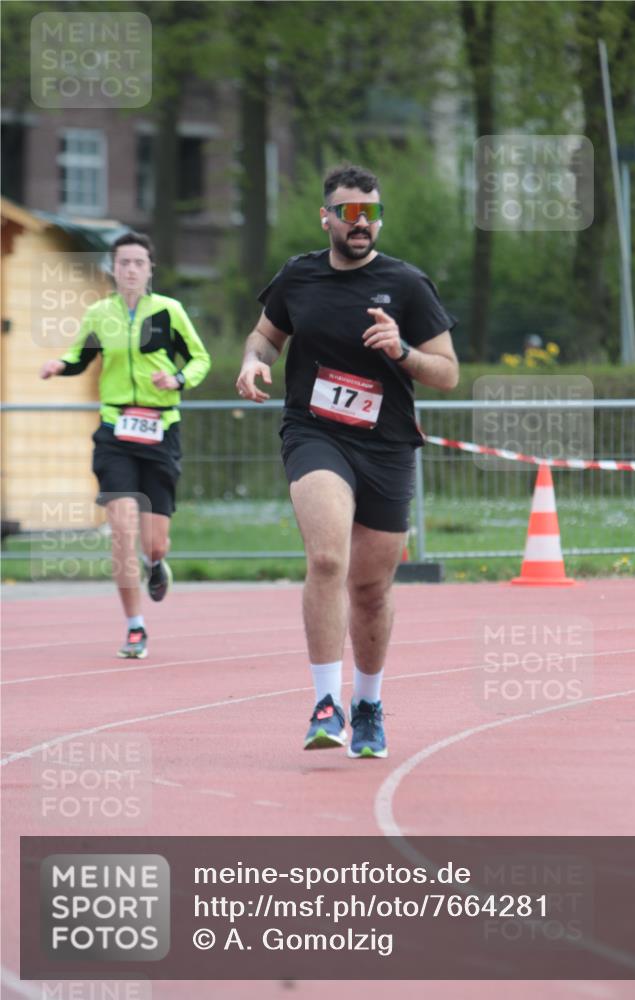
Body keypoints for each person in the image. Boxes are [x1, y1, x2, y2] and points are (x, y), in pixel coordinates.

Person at [236, 164, 458, 758]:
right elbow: (264, 336)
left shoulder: (407, 285)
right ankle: (325, 702)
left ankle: (368, 705)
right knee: (328, 558)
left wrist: (403, 350)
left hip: (385, 445)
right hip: (314, 432)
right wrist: (254, 360)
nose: (362, 223)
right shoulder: (298, 277)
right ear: (327, 216)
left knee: (370, 588)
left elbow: (447, 372)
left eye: (372, 213)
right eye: (350, 213)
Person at [40, 231, 211, 659]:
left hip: (160, 430)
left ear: (150, 269)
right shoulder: (100, 313)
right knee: (121, 529)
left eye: (138, 262)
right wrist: (59, 365)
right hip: (115, 429)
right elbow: (81, 357)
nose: (130, 269)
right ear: (113, 269)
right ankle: (135, 626)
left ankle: (156, 563)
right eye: (123, 263)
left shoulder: (169, 312)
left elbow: (200, 359)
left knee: (154, 542)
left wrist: (176, 379)